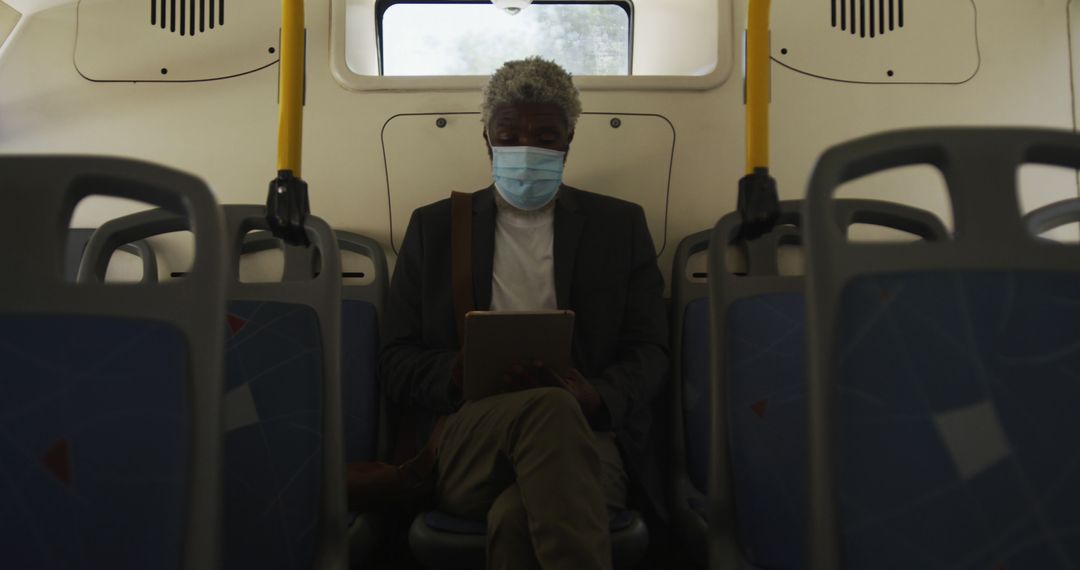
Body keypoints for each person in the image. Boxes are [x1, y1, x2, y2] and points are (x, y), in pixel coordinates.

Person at [379, 56, 668, 570]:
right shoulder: (437, 228)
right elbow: (395, 358)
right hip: (470, 439)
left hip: (585, 436)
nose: (525, 149)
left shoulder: (618, 227)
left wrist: (595, 395)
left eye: (546, 136)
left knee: (518, 516)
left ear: (568, 142)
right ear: (486, 140)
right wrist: (456, 372)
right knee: (546, 407)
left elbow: (650, 350)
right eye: (508, 136)